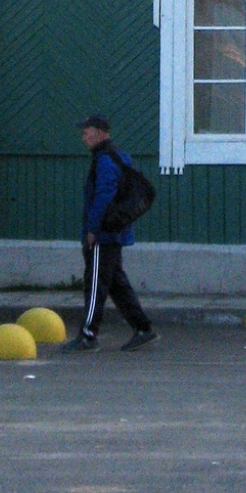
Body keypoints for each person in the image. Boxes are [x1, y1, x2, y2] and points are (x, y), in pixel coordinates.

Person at [67, 114, 157, 351]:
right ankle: (143, 329)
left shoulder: (105, 161)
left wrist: (92, 230)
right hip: (114, 232)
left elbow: (103, 197)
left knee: (95, 284)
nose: (83, 137)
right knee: (117, 284)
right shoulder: (117, 157)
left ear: (98, 133)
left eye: (86, 132)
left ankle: (88, 335)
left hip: (103, 235)